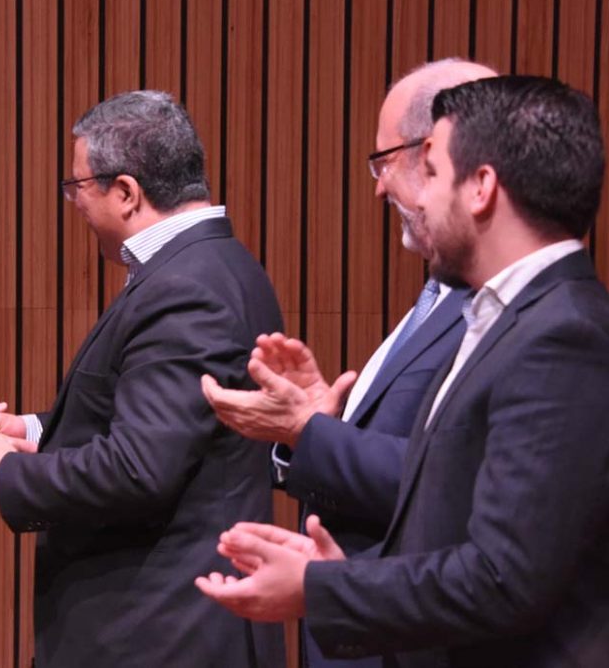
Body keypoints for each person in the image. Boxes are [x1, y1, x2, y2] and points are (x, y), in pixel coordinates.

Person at [196, 76, 609, 668]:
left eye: (434, 173)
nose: (418, 198)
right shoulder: (511, 320)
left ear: (482, 188)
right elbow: (454, 510)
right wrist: (339, 572)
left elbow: (503, 578)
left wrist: (320, 588)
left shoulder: (564, 340)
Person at [0, 90, 285, 667]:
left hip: (164, 632)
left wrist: (7, 472)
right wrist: (33, 431)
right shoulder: (210, 266)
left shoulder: (188, 289)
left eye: (76, 187)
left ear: (125, 192)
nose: (73, 203)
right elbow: (156, 421)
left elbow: (140, 468)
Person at [201, 58, 495, 667]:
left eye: (384, 161)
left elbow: (453, 480)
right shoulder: (442, 297)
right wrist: (315, 422)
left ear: (441, 154)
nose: (379, 187)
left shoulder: (492, 311)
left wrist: (306, 431)